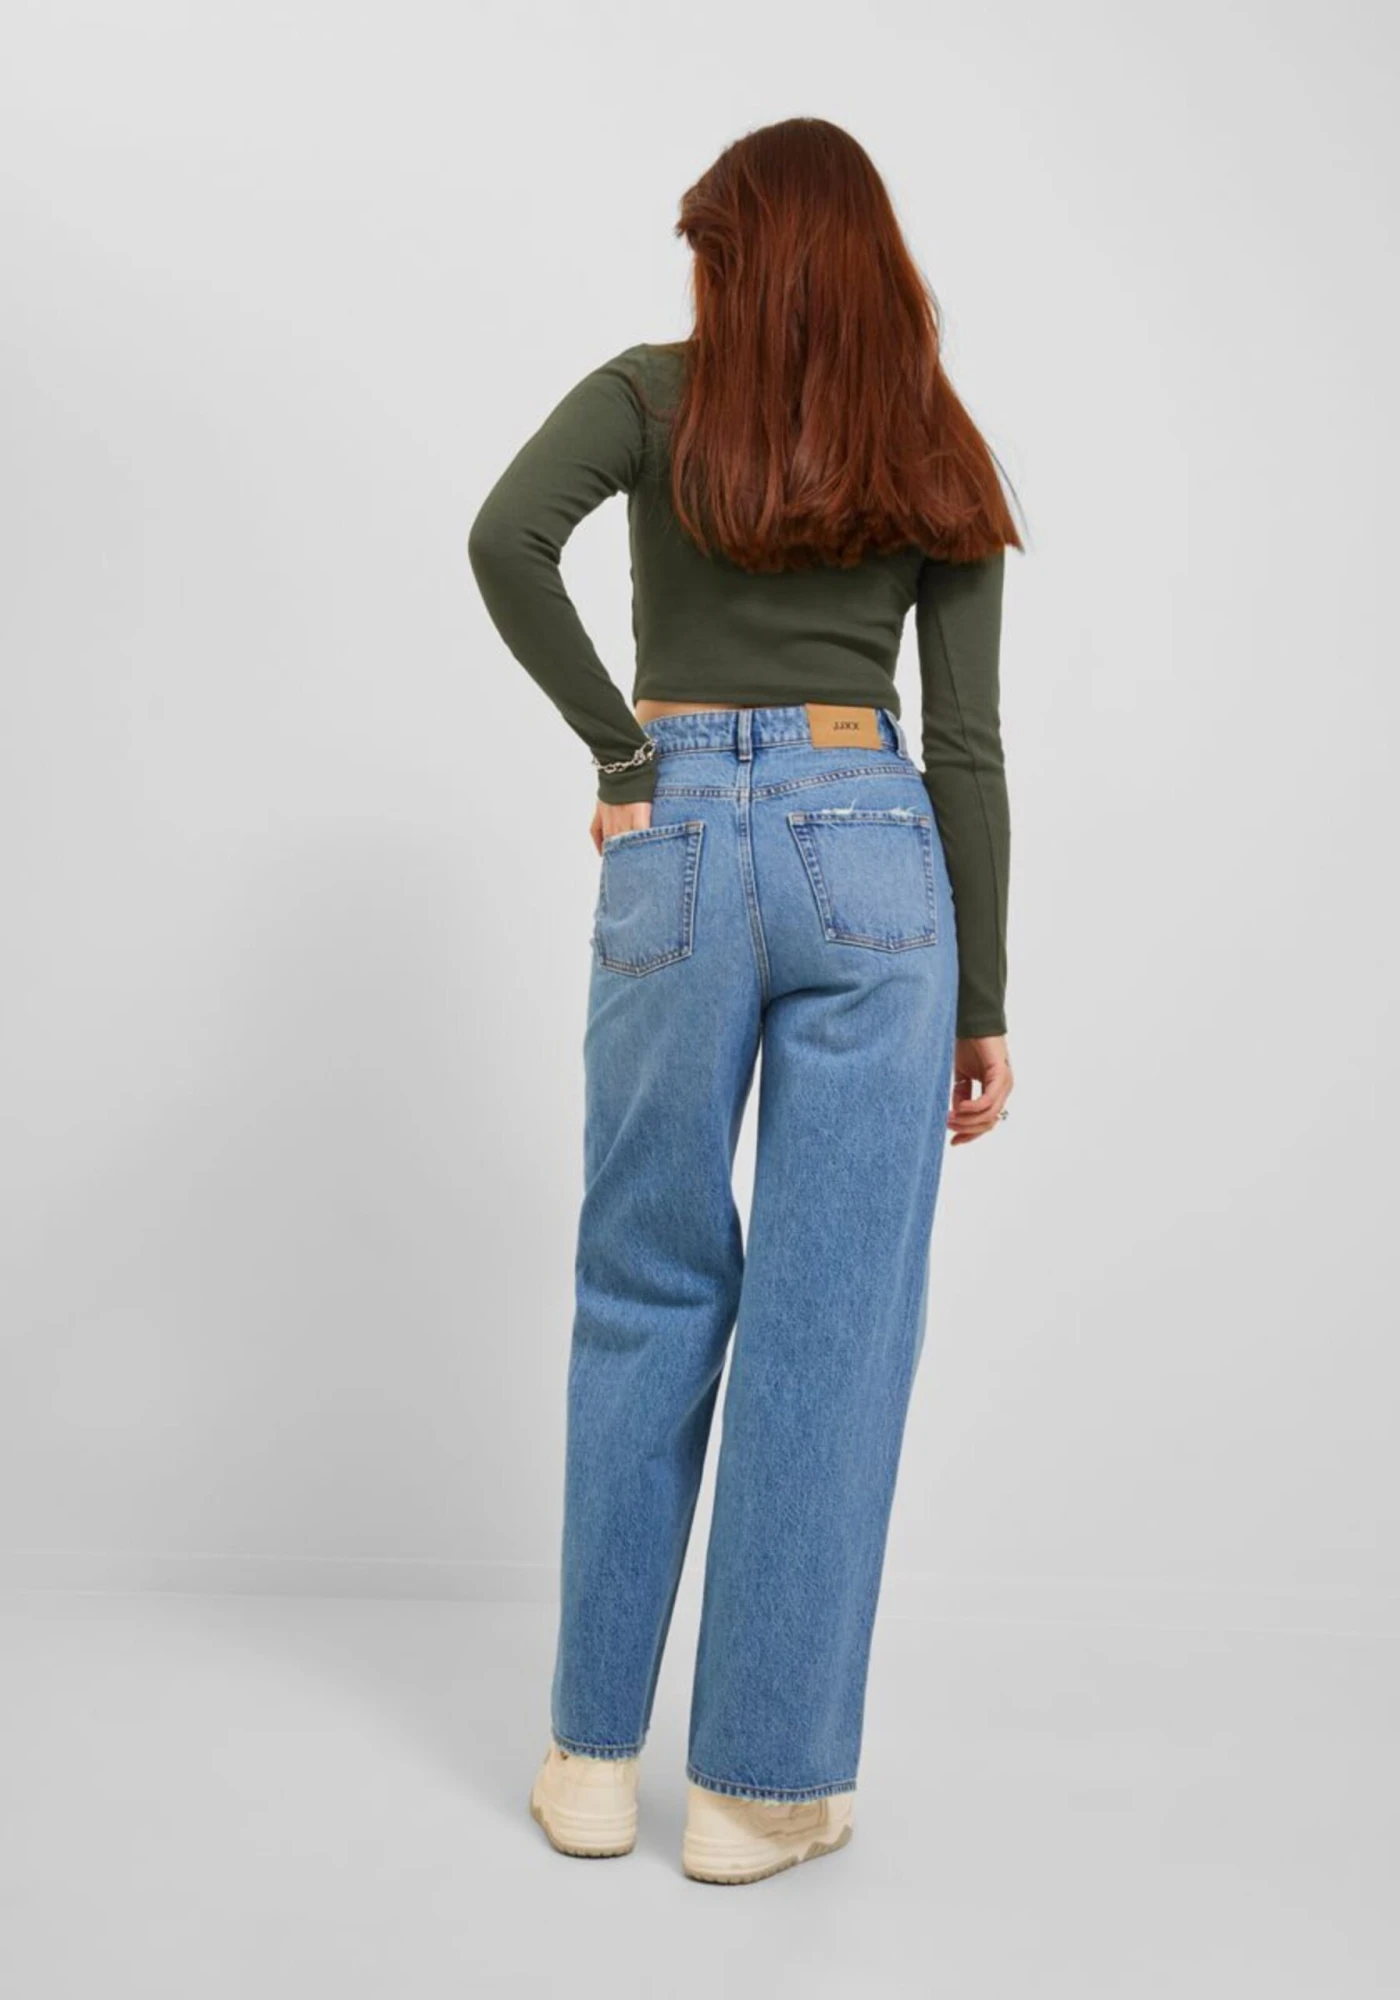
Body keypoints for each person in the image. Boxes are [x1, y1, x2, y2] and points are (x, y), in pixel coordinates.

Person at [466, 115, 1021, 1886]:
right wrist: (983, 994)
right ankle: (757, 1793)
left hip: (682, 834)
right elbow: (967, 744)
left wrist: (624, 753)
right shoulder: (931, 435)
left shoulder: (651, 395)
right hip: (875, 848)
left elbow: (505, 539)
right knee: (827, 1322)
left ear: (730, 253)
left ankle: (589, 1762)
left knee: (643, 1280)